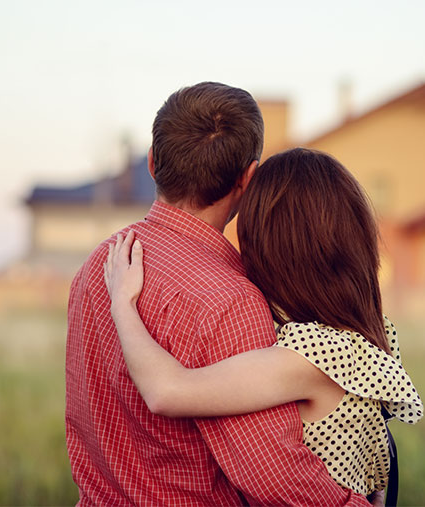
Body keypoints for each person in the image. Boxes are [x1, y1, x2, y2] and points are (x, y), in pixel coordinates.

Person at [65, 83, 369, 506]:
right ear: (248, 178)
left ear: (153, 163)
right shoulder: (231, 301)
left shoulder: (99, 266)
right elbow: (271, 475)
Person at [103, 148, 424, 505]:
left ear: (271, 246)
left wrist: (123, 303)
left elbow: (166, 390)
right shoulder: (363, 338)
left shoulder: (310, 355)